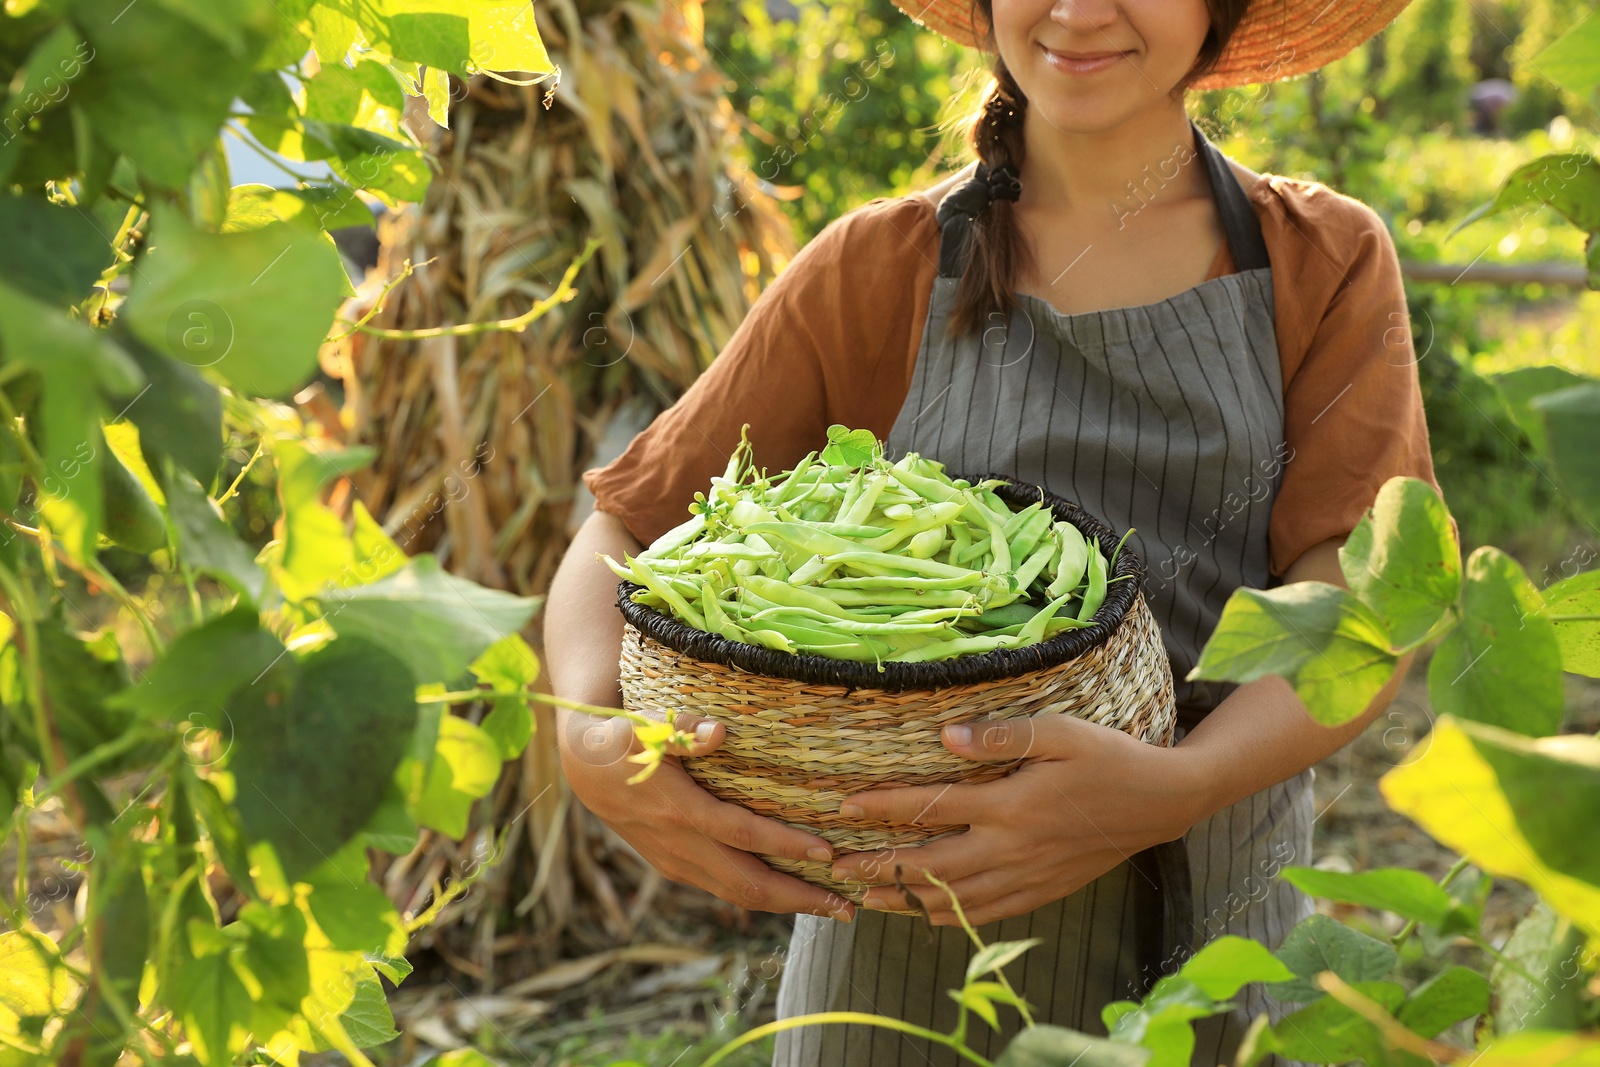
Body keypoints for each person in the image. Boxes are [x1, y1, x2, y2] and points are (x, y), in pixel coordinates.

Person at [544, 0, 1440, 1063]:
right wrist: (587, 735)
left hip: (1214, 923)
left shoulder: (1319, 259)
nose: (1077, 9)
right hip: (901, 963)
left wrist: (1176, 786)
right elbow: (628, 523)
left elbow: (1361, 591)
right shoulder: (878, 266)